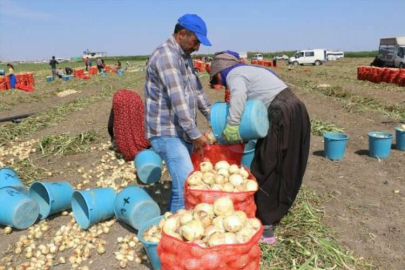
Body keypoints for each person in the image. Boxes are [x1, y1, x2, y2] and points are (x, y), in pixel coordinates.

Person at [209, 51, 311, 244]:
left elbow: (238, 100)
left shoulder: (234, 75)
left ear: (221, 70)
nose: (220, 83)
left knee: (268, 164)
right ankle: (279, 207)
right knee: (289, 161)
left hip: (281, 112)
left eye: (216, 78)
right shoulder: (252, 69)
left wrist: (231, 126)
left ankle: (266, 225)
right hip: (296, 109)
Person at [144, 14, 212, 212]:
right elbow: (178, 100)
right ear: (182, 34)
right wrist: (194, 134)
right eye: (196, 41)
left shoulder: (184, 58)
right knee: (186, 184)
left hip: (179, 129)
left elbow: (196, 91)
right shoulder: (167, 57)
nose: (197, 47)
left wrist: (211, 117)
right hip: (165, 131)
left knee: (185, 181)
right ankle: (175, 235)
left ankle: (179, 226)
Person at [108, 89, 150, 161]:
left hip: (127, 150)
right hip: (145, 143)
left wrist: (112, 137)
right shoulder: (136, 101)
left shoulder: (118, 102)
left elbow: (110, 125)